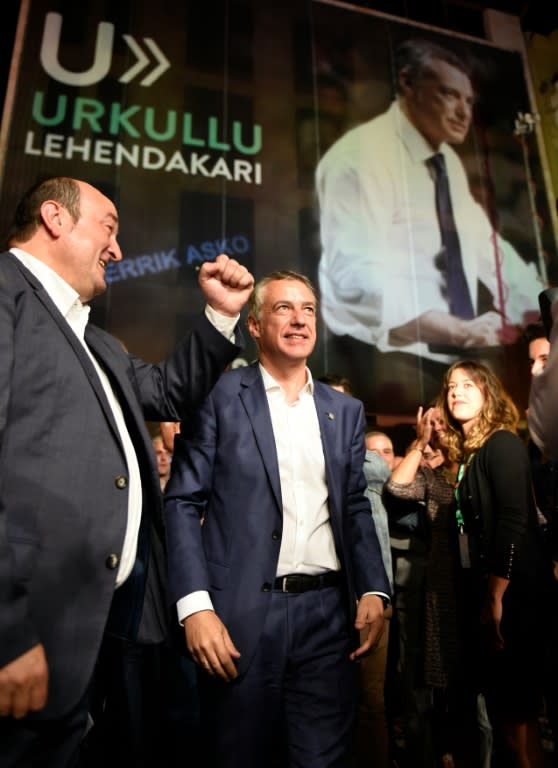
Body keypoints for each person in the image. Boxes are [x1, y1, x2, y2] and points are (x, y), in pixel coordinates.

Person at [0, 176, 254, 768]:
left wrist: (219, 314)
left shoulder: (97, 341)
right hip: (25, 630)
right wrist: (8, 631)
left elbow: (169, 392)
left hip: (88, 633)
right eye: (109, 228)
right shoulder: (6, 294)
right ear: (55, 219)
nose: (117, 250)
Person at [163, 269, 391, 768]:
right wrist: (195, 608)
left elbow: (354, 504)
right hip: (239, 618)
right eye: (283, 308)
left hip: (328, 620)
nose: (298, 319)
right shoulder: (217, 397)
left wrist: (373, 587)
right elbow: (182, 502)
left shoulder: (345, 411)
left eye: (307, 309)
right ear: (255, 326)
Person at [316, 37, 545, 412]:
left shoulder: (446, 161)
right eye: (449, 95)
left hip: (452, 354)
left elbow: (487, 248)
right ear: (408, 84)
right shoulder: (359, 157)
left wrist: (540, 308)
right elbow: (356, 280)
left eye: (469, 101)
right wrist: (457, 329)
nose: (463, 112)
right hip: (377, 358)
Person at [440, 359, 552, 767]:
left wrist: (495, 595)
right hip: (491, 595)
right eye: (452, 386)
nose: (457, 392)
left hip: (513, 598)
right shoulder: (472, 456)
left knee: (518, 722)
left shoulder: (501, 443)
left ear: (488, 393)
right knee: (507, 721)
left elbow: (513, 520)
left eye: (469, 384)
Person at [386, 406, 493, 768]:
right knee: (449, 689)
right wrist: (419, 443)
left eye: (442, 423)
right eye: (432, 423)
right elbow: (397, 487)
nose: (438, 429)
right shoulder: (432, 479)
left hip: (481, 584)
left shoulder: (479, 466)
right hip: (443, 591)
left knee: (486, 694)